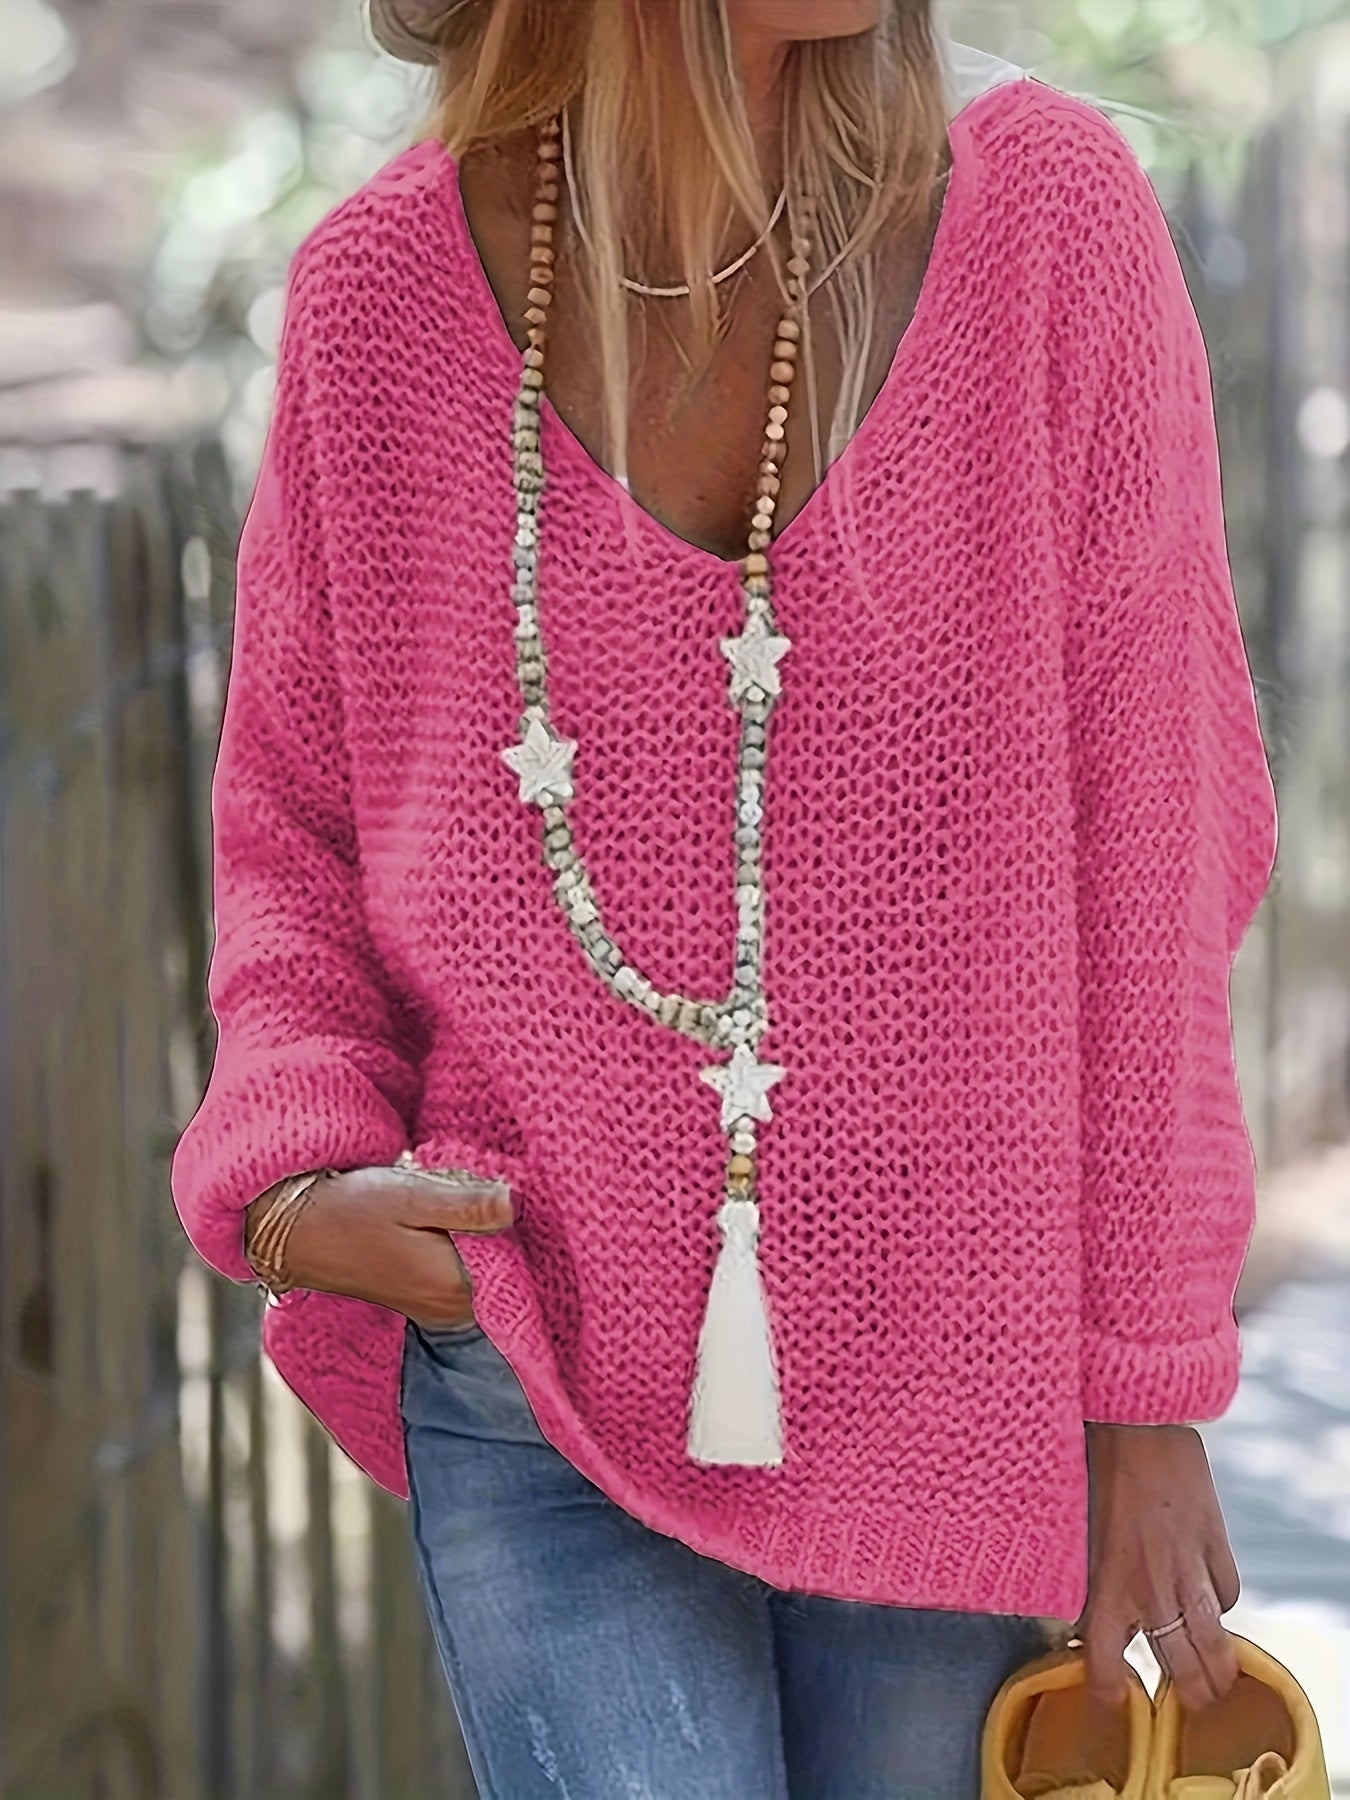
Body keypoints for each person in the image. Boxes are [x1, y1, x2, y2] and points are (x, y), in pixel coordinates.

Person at [169, 1, 1280, 1792]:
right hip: (533, 1354)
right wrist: (295, 1171)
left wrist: (1143, 1386)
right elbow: (295, 824)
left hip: (951, 1362)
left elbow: (1157, 840)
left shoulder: (1045, 218)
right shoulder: (379, 294)